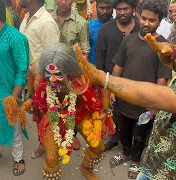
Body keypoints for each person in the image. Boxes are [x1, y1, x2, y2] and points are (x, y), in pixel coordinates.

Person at [76, 12, 176, 180]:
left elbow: (154, 97)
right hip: (157, 166)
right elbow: (175, 61)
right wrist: (164, 54)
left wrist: (103, 78)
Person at [24, 43, 114, 180]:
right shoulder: (39, 69)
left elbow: (105, 85)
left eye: (58, 74)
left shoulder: (84, 75)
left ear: (69, 71)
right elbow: (30, 72)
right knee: (51, 158)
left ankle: (86, 168)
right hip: (53, 114)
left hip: (79, 112)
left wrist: (105, 110)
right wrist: (30, 96)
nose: (52, 80)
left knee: (98, 146)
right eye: (49, 74)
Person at [108, 1, 171, 179]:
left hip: (146, 104)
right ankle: (126, 153)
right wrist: (113, 88)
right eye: (144, 18)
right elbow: (118, 66)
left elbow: (162, 79)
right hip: (124, 100)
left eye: (152, 20)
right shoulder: (128, 40)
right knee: (124, 130)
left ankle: (135, 162)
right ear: (138, 15)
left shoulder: (163, 47)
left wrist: (155, 105)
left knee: (140, 135)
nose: (146, 23)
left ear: (160, 21)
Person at [0, 0, 29, 176]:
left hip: (9, 92)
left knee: (13, 126)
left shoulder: (15, 37)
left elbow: (22, 69)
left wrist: (13, 98)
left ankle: (18, 158)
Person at [95, 0, 140, 152]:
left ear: (133, 9)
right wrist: (102, 82)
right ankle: (113, 139)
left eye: (125, 9)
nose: (121, 12)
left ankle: (133, 142)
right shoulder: (106, 30)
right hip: (111, 80)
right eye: (118, 9)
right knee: (111, 111)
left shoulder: (141, 29)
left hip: (136, 80)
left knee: (135, 112)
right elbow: (99, 58)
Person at [19, 0, 60, 159]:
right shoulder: (26, 18)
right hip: (31, 80)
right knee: (37, 115)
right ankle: (44, 143)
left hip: (44, 81)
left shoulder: (46, 23)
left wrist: (47, 88)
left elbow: (53, 59)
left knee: (48, 117)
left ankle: (50, 147)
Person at [51, 0, 90, 150]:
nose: (64, 2)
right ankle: (45, 140)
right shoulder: (48, 20)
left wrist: (76, 75)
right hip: (50, 70)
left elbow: (85, 52)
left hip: (71, 73)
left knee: (70, 106)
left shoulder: (81, 23)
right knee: (49, 105)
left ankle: (71, 135)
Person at [88, 0, 113, 64]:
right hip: (93, 67)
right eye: (102, 8)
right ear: (96, 8)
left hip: (112, 68)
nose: (105, 11)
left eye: (108, 8)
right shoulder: (89, 27)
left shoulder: (118, 25)